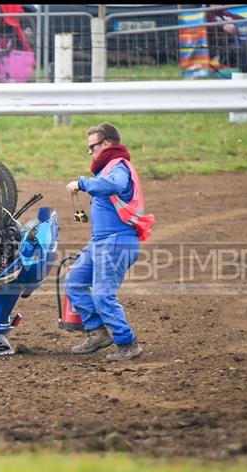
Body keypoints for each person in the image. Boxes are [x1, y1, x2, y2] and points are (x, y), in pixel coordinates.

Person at [63, 123, 155, 362]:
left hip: (116, 243)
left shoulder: (118, 168)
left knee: (103, 295)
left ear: (106, 144)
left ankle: (128, 343)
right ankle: (98, 333)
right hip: (101, 243)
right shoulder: (108, 170)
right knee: (74, 282)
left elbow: (115, 185)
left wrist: (83, 183)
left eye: (92, 147)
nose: (90, 152)